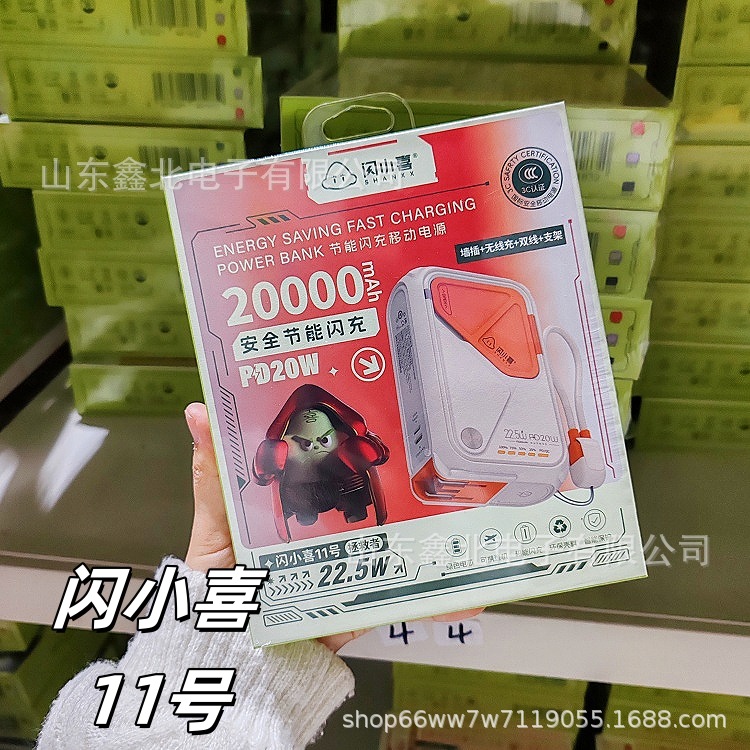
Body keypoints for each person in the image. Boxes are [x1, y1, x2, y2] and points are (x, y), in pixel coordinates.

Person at [38, 404, 481, 749]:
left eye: (323, 439)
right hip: (299, 520)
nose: (315, 446)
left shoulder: (346, 450)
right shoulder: (286, 460)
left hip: (337, 511)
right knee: (308, 511)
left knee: (348, 502)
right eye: (304, 442)